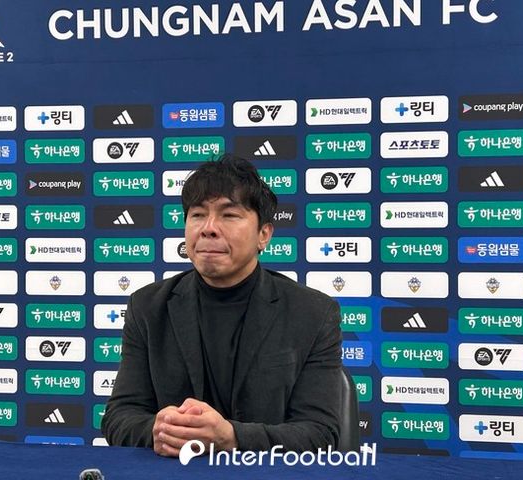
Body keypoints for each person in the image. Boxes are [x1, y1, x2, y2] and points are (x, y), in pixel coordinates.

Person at [101, 154, 343, 456]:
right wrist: (158, 429)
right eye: (198, 215)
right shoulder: (147, 307)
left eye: (229, 215)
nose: (209, 228)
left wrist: (232, 437)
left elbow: (321, 433)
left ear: (264, 235)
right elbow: (119, 417)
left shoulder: (313, 313)